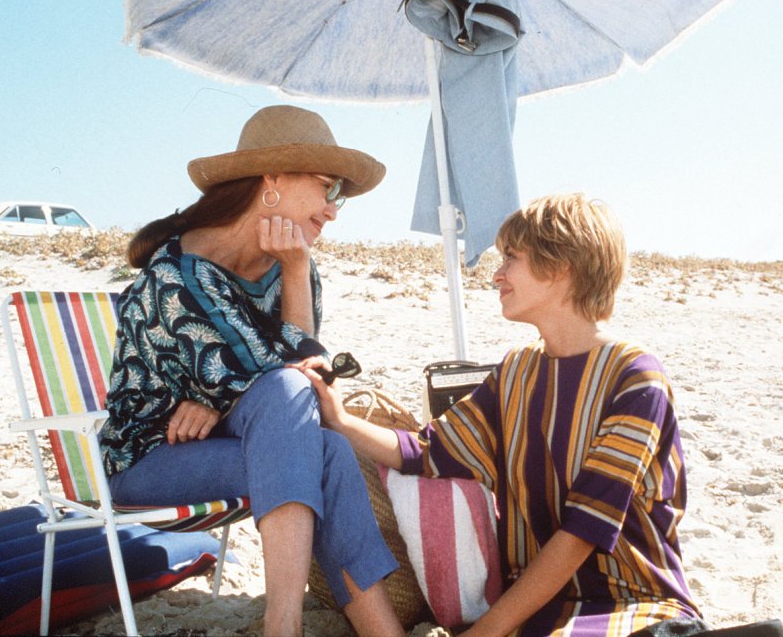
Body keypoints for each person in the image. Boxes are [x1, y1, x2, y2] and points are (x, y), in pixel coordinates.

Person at [299, 193, 701, 636]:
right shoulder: (518, 370)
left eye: (512, 258)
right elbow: (428, 453)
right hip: (534, 612)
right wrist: (339, 420)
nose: (496, 274)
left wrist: (484, 633)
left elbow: (584, 530)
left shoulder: (636, 379)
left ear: (561, 265)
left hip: (632, 602)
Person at [99, 105, 404, 637]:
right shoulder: (178, 275)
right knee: (299, 413)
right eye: (329, 188)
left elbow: (303, 383)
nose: (335, 210)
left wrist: (220, 403)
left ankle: (381, 632)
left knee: (325, 445)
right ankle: (282, 625)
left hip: (242, 441)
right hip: (149, 460)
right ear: (272, 179)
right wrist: (230, 398)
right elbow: (291, 380)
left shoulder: (292, 266)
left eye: (341, 197)